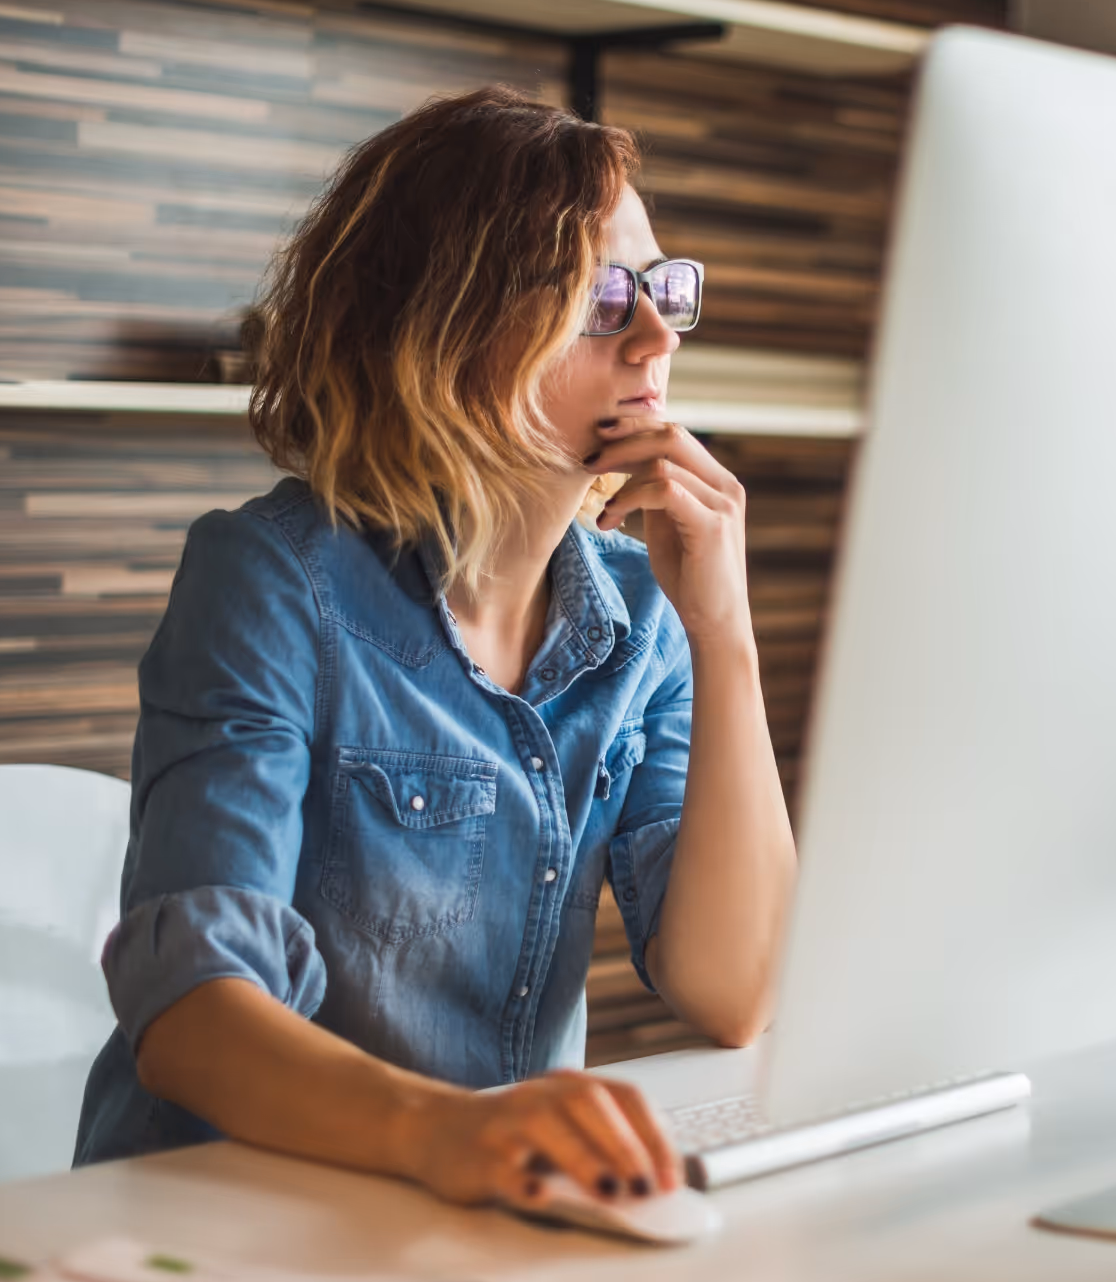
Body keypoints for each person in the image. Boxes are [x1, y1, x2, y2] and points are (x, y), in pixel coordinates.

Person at [72, 87, 796, 1213]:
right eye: (604, 298)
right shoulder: (268, 581)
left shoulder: (646, 617)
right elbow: (191, 1014)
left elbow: (733, 990)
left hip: (477, 1213)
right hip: (227, 1220)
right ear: (449, 326)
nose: (659, 336)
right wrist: (448, 1131)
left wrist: (725, 631)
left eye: (664, 290)